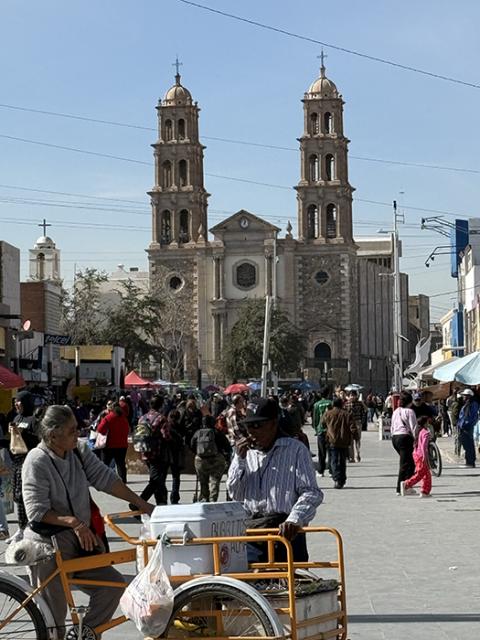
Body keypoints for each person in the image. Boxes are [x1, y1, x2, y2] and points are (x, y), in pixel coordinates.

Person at [21, 404, 153, 638]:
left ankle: (84, 634)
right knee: (55, 617)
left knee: (111, 586)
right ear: (53, 435)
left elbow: (107, 480)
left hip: (82, 542)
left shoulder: (79, 451)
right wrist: (74, 522)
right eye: (72, 431)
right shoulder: (36, 460)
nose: (78, 434)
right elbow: (36, 512)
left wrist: (143, 505)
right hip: (47, 545)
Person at [227, 398, 323, 562]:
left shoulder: (295, 450)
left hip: (285, 534)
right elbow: (235, 493)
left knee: (291, 584)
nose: (252, 432)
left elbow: (311, 492)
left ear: (273, 424)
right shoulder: (244, 453)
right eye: (248, 427)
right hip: (253, 532)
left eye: (257, 426)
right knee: (253, 584)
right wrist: (239, 460)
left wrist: (295, 519)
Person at [8, 391, 40, 540]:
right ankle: (21, 527)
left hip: (28, 462)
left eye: (19, 401)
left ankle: (26, 528)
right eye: (15, 401)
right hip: (16, 461)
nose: (16, 403)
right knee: (16, 495)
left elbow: (40, 440)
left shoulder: (33, 420)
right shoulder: (16, 418)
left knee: (23, 496)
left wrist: (24, 433)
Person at [191, 415, 231, 502]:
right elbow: (227, 446)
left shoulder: (197, 433)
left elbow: (192, 444)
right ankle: (213, 499)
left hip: (200, 460)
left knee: (203, 481)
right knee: (215, 481)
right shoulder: (217, 432)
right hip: (216, 460)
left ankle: (204, 498)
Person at [322, 397, 357, 489]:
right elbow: (352, 427)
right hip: (344, 441)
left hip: (332, 440)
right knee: (342, 461)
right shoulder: (347, 414)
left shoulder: (328, 414)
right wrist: (356, 437)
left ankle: (336, 478)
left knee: (333, 460)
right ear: (342, 404)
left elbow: (322, 424)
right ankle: (341, 480)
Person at [390, 391, 417, 495]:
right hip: (405, 437)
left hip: (395, 438)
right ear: (410, 402)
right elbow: (413, 427)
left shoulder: (396, 411)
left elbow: (392, 427)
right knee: (405, 464)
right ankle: (401, 488)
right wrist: (417, 440)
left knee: (409, 462)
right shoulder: (410, 412)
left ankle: (406, 485)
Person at [96, 402, 130, 483]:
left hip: (109, 445)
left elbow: (100, 429)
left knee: (105, 464)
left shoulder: (108, 417)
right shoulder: (124, 418)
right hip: (122, 445)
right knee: (121, 464)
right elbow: (128, 430)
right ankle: (123, 481)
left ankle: (103, 481)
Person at [401, 416, 432, 497]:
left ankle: (424, 491)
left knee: (426, 474)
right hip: (421, 455)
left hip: (416, 454)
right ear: (425, 423)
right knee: (421, 474)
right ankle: (407, 484)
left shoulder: (418, 431)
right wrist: (425, 457)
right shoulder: (425, 432)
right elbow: (424, 446)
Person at [312, 387, 332, 476]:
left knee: (321, 451)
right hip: (330, 430)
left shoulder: (316, 404)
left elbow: (315, 418)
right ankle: (332, 470)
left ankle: (321, 470)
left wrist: (316, 428)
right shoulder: (331, 403)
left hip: (320, 430)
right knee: (331, 451)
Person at [457, 388, 479, 468]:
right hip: (464, 427)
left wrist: (465, 424)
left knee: (468, 445)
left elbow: (472, 416)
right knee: (467, 444)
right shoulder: (467, 404)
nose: (463, 397)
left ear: (468, 396)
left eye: (465, 396)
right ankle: (469, 461)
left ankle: (470, 462)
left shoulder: (473, 404)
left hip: (467, 427)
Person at [344, 390, 365, 462]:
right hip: (349, 424)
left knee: (357, 439)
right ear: (348, 396)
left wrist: (363, 403)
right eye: (351, 395)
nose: (352, 397)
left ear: (356, 396)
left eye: (353, 395)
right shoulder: (346, 404)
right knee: (350, 441)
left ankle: (357, 454)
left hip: (358, 422)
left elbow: (365, 411)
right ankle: (351, 457)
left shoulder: (360, 403)